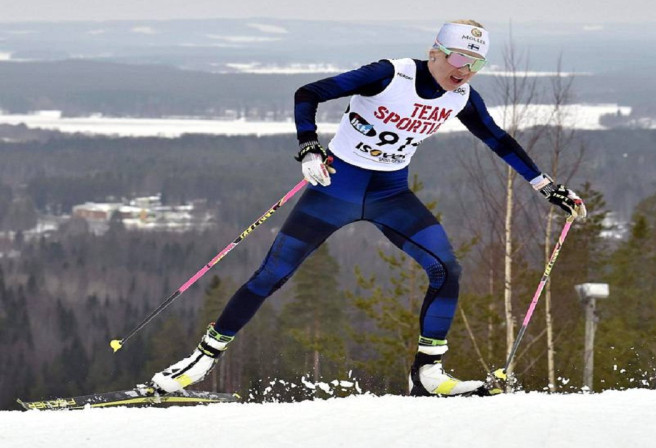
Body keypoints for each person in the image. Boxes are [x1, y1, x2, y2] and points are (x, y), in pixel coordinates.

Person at [151, 19, 586, 397]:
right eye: (458, 59)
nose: (465, 71)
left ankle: (427, 374)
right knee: (272, 274)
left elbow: (498, 140)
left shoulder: (462, 98)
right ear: (435, 52)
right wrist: (308, 148)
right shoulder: (389, 74)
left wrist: (547, 187)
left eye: (476, 64)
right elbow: (308, 93)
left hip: (391, 196)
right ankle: (202, 358)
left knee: (446, 269)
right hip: (335, 189)